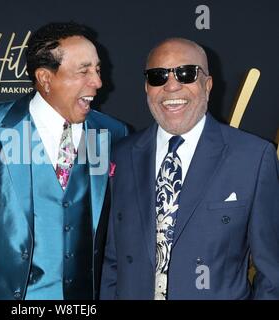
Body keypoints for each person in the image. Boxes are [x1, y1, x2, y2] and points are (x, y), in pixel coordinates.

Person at [0, 21, 128, 300]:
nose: (97, 82)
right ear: (45, 78)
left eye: (97, 70)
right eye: (84, 71)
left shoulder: (112, 134)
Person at [100, 37, 279, 300]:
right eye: (158, 76)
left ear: (207, 85)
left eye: (186, 74)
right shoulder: (121, 155)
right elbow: (111, 261)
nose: (171, 86)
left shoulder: (253, 157)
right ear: (147, 87)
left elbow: (272, 273)